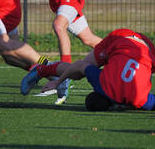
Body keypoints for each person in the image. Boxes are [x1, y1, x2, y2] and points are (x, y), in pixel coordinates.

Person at [21, 28, 155, 111]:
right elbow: (79, 65)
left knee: (78, 72)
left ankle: (41, 70)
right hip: (120, 40)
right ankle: (41, 70)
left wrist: (58, 82)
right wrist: (57, 82)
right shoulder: (103, 86)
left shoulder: (140, 100)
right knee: (78, 70)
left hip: (144, 48)